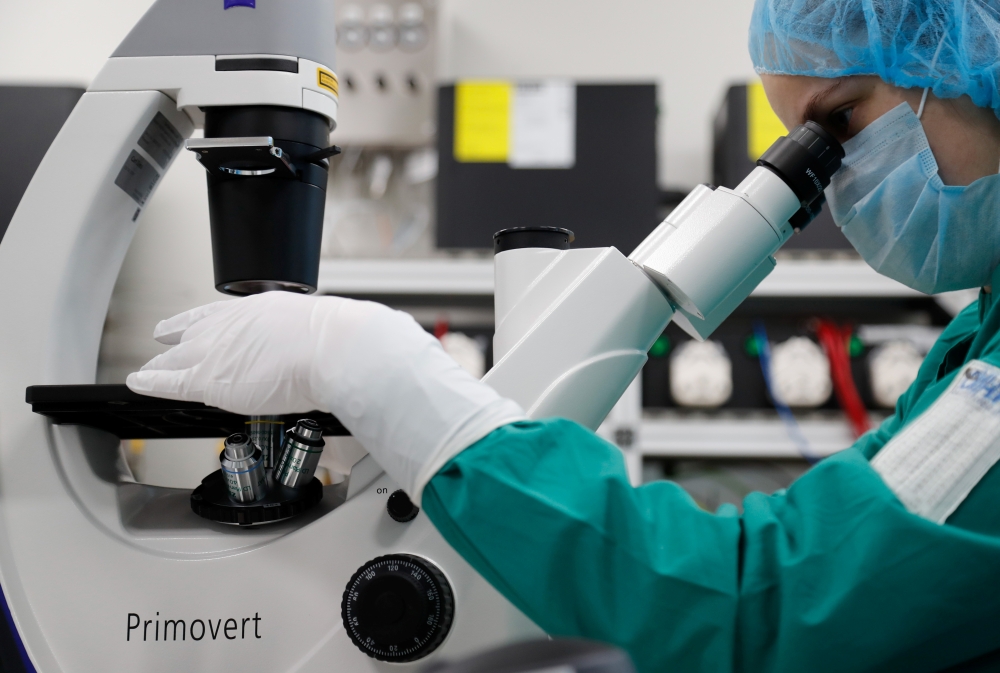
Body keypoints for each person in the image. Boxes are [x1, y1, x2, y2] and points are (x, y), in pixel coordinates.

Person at [128, 1, 1000, 670]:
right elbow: (818, 547)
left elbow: (761, 605)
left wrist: (379, 372)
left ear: (977, 54)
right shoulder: (976, 342)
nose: (833, 180)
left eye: (839, 122)